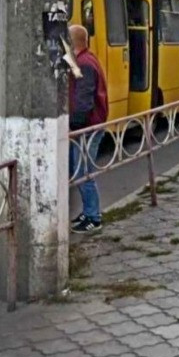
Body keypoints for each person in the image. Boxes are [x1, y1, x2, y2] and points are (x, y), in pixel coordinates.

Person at [69, 24, 109, 234]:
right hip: (90, 125)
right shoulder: (86, 59)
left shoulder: (84, 64)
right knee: (80, 171)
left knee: (84, 173)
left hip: (88, 126)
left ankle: (93, 217)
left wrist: (71, 124)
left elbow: (83, 101)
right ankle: (88, 211)